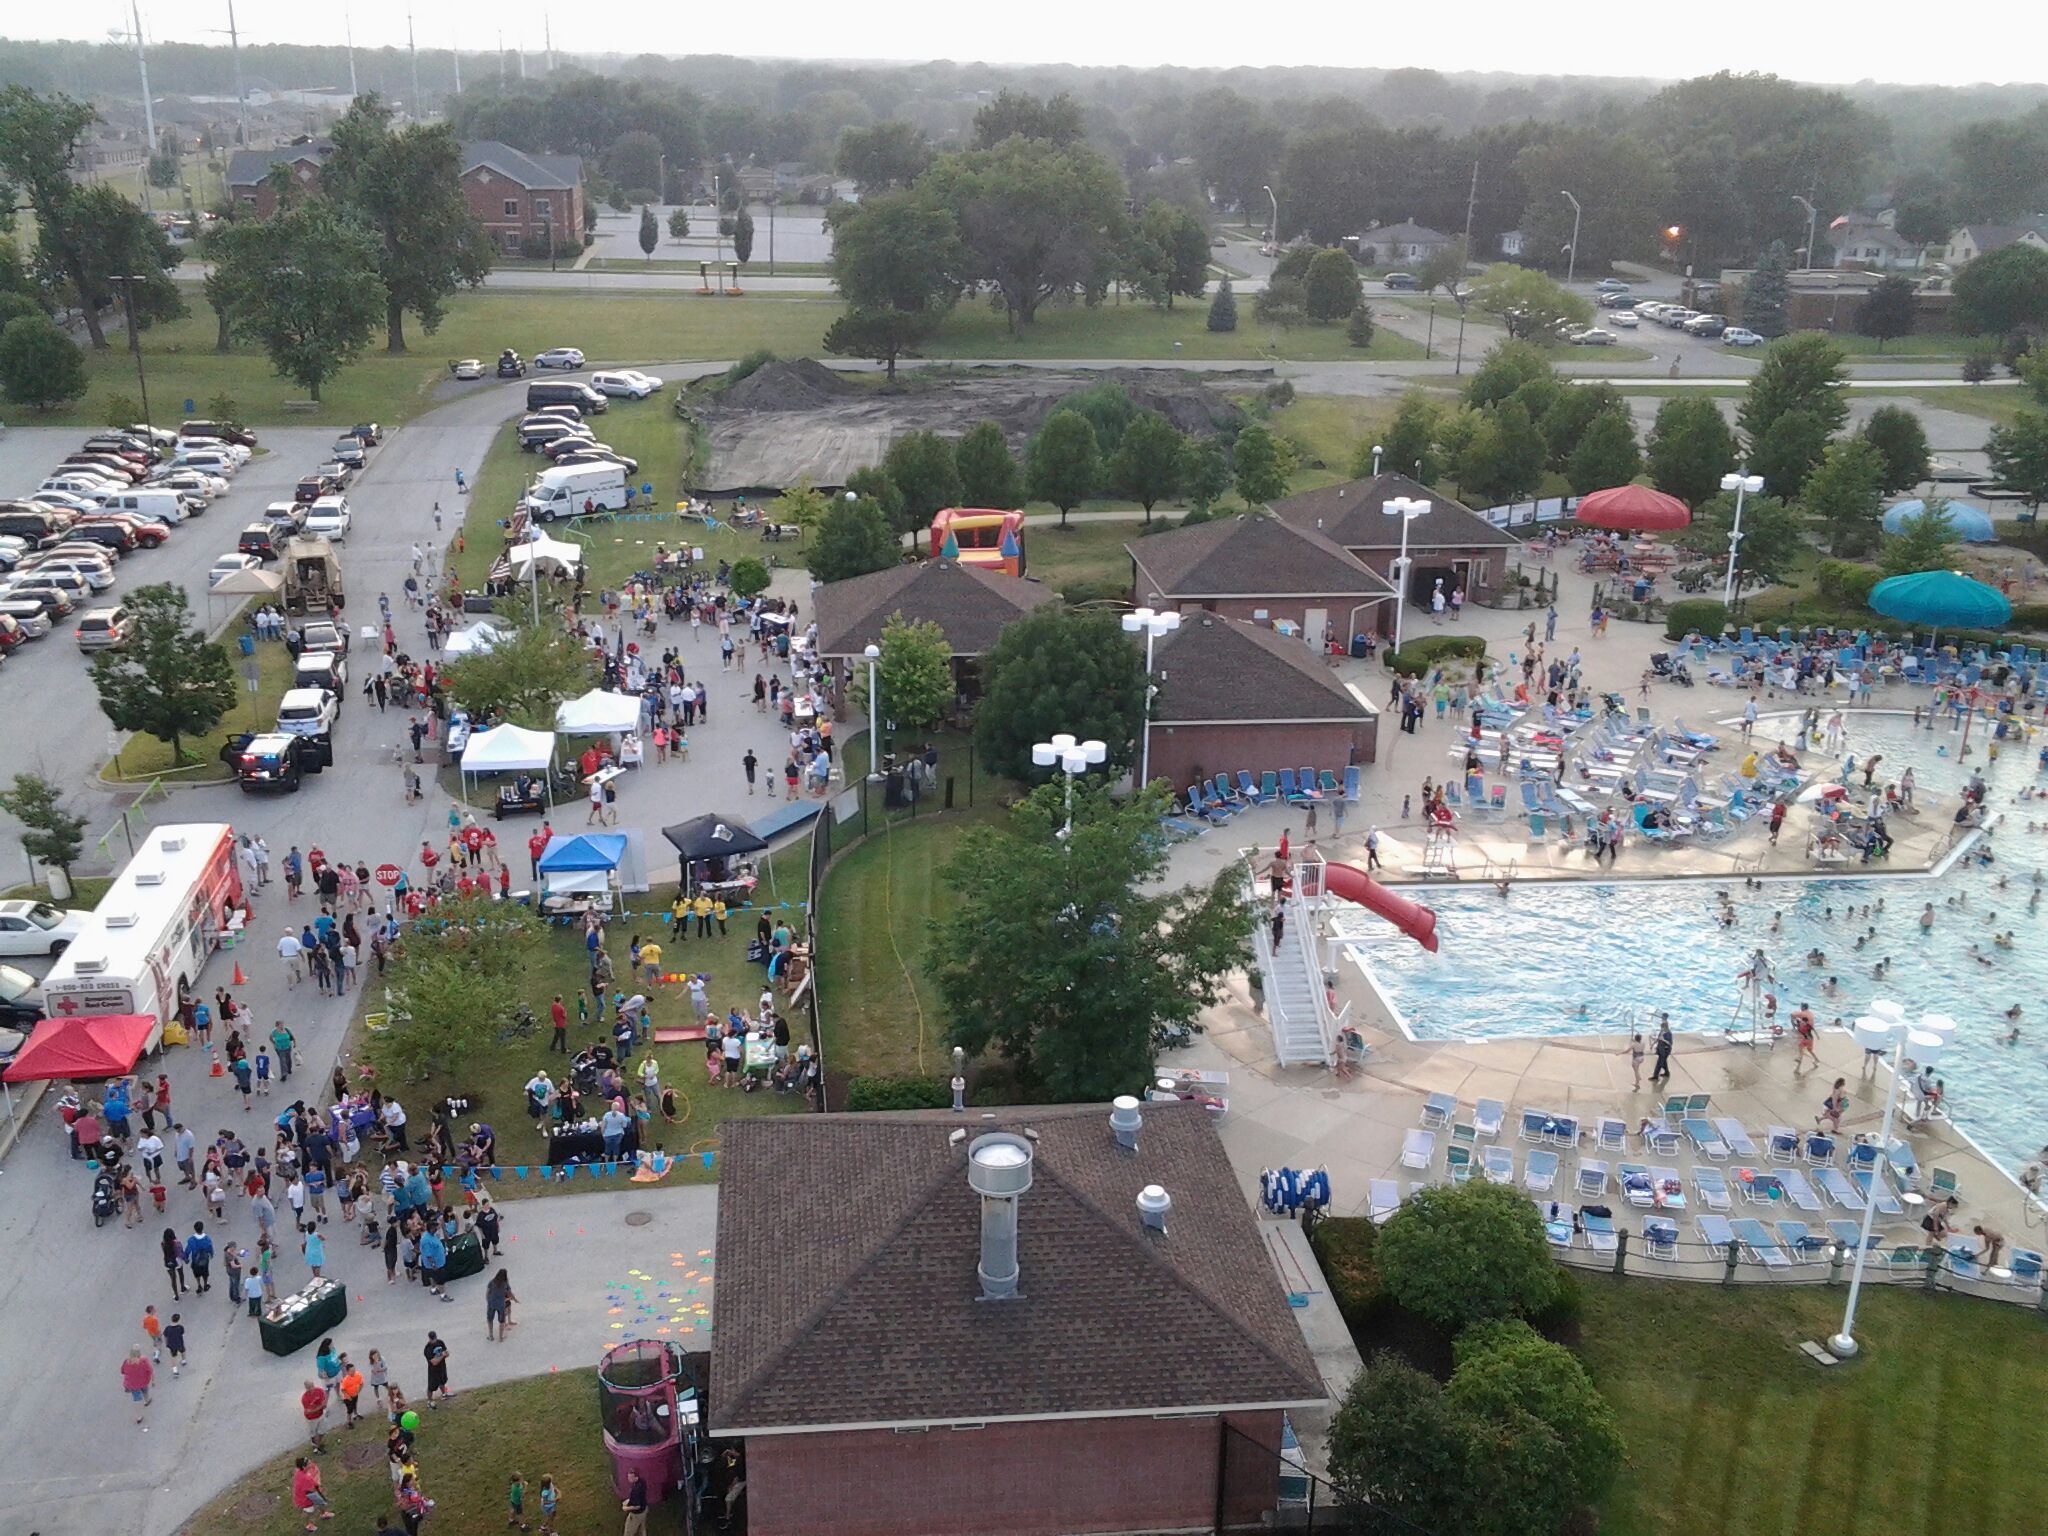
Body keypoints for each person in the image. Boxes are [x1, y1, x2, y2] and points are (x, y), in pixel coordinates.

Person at [294, 1455, 337, 1527]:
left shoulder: (299, 1471)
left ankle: (323, 1514)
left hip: (307, 1494)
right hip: (305, 1498)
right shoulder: (305, 1478)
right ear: (304, 1467)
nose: (310, 1465)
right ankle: (308, 1525)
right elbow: (312, 1489)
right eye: (309, 1464)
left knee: (321, 1503)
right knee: (309, 1511)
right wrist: (318, 1487)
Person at [121, 1345, 154, 1426]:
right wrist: (153, 1380)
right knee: (145, 1391)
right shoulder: (144, 1361)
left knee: (137, 1400)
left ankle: (139, 1416)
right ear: (139, 1354)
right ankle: (147, 1401)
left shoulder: (126, 1362)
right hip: (144, 1381)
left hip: (133, 1385)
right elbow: (150, 1370)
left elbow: (122, 1371)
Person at [487, 1268, 517, 1342]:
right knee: (501, 1321)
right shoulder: (505, 1284)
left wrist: (488, 1301)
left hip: (491, 1304)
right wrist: (514, 1299)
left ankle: (491, 1335)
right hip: (501, 1305)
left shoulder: (492, 1282)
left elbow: (487, 1292)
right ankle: (500, 1338)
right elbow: (509, 1293)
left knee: (490, 1319)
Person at [423, 1329, 453, 1404]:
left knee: (442, 1381)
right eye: (432, 1339)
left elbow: (446, 1352)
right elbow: (434, 1362)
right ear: (429, 1338)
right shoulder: (427, 1349)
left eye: (434, 1338)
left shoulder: (440, 1342)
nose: (434, 1340)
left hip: (442, 1367)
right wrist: (442, 1356)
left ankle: (444, 1394)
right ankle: (429, 1401)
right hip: (433, 1370)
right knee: (431, 1387)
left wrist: (446, 1354)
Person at [301, 1379, 330, 1452]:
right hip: (311, 1418)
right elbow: (309, 1412)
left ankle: (317, 1444)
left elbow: (324, 1399)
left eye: (312, 1386)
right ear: (306, 1388)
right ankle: (316, 1446)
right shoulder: (304, 1398)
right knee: (313, 1433)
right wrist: (320, 1407)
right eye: (309, 1387)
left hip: (320, 1415)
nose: (312, 1388)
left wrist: (324, 1404)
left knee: (323, 1430)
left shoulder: (319, 1391)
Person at [621, 1471, 649, 1536]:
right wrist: (629, 1500)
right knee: (642, 1528)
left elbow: (637, 1506)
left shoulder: (636, 1490)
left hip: (637, 1514)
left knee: (628, 1532)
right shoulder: (642, 1482)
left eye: (630, 1477)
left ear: (636, 1477)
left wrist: (626, 1508)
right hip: (644, 1509)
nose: (628, 1478)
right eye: (628, 1476)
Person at [1649, 1018, 1674, 1084]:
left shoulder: (1668, 1034)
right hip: (1660, 1049)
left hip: (1665, 1050)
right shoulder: (1662, 1032)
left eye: (1662, 1027)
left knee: (1659, 1063)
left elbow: (1669, 1043)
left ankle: (1655, 1076)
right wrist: (1653, 1043)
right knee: (1664, 1062)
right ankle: (1667, 1072)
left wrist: (1663, 1040)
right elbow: (1658, 1038)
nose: (1661, 1029)